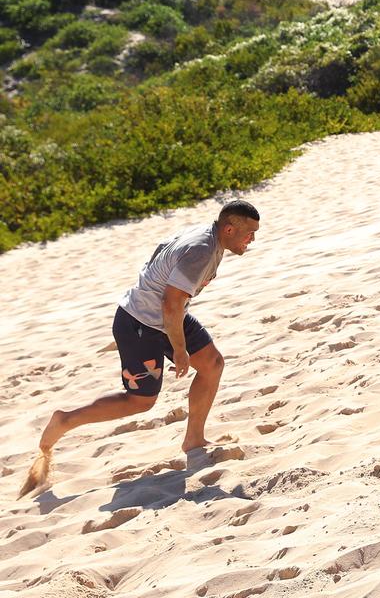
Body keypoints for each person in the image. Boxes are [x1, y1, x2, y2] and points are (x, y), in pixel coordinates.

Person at [21, 200, 261, 495]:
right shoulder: (201, 249)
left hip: (165, 316)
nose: (252, 240)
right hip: (141, 322)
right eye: (249, 233)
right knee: (141, 401)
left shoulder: (209, 239)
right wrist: (179, 350)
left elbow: (161, 260)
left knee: (212, 364)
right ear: (229, 229)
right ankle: (65, 420)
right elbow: (170, 304)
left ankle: (194, 440)